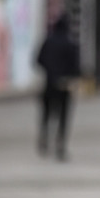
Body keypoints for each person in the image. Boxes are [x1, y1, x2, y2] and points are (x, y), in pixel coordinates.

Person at [36, 16, 80, 161]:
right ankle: (60, 143)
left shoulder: (48, 42)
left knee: (47, 114)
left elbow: (38, 60)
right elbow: (76, 66)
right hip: (64, 84)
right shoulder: (70, 43)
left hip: (49, 83)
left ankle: (44, 139)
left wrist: (50, 70)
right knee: (63, 116)